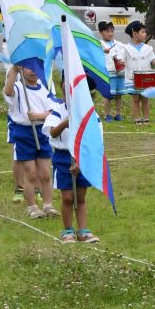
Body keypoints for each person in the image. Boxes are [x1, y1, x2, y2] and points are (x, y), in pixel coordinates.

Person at [42, 97, 99, 244]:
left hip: (83, 155)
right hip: (63, 157)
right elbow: (53, 132)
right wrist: (65, 123)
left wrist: (81, 161)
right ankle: (68, 231)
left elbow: (94, 138)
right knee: (67, 197)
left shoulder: (90, 113)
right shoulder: (57, 112)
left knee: (80, 197)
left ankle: (83, 231)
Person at [4, 64, 57, 217]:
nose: (33, 70)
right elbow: (8, 92)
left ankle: (48, 205)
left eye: (37, 66)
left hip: (43, 132)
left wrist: (39, 116)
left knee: (46, 173)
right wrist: (14, 70)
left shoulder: (45, 85)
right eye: (28, 66)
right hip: (24, 133)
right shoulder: (18, 88)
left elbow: (52, 110)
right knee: (31, 173)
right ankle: (32, 206)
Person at [123, 20, 155, 124]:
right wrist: (120, 62)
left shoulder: (148, 48)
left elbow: (152, 59)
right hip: (133, 78)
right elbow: (123, 61)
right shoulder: (126, 48)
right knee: (135, 99)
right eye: (143, 32)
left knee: (145, 99)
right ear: (134, 34)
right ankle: (137, 119)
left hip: (146, 78)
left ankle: (146, 118)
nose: (145, 34)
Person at [97, 21, 125, 122]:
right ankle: (107, 114)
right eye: (107, 31)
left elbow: (125, 53)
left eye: (112, 31)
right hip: (108, 72)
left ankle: (118, 113)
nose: (110, 34)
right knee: (108, 94)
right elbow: (96, 55)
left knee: (118, 94)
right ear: (101, 32)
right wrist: (102, 51)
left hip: (119, 72)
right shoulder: (100, 44)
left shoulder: (119, 44)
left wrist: (123, 61)